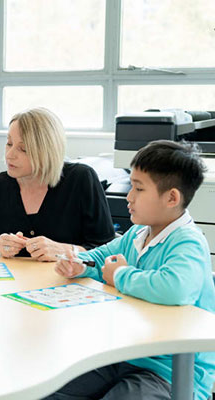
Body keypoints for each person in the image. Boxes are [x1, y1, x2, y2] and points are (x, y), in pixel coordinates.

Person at [47, 140, 215, 400]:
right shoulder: (138, 233)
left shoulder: (188, 241)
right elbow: (102, 257)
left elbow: (176, 288)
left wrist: (120, 275)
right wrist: (80, 264)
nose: (129, 196)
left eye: (138, 189)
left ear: (171, 198)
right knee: (52, 387)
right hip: (126, 355)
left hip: (170, 372)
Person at [0, 107, 115, 260]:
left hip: (70, 281)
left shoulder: (81, 179)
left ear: (46, 151)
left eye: (23, 149)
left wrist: (64, 250)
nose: (9, 155)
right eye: (9, 144)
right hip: (16, 283)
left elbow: (107, 253)